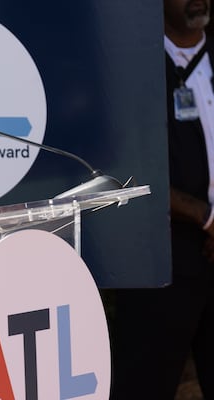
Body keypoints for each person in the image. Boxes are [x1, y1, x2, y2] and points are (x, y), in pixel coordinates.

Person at [110, 1, 214, 398]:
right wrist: (204, 216)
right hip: (160, 259)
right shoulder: (131, 66)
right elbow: (123, 167)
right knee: (144, 384)